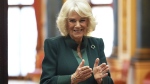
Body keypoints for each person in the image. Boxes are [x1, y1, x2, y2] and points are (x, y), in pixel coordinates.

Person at [40, 0, 114, 84]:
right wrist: (72, 78)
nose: (78, 25)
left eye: (82, 20)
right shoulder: (53, 45)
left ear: (88, 22)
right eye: (72, 21)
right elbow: (45, 82)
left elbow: (109, 81)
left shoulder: (97, 43)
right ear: (65, 23)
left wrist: (100, 80)